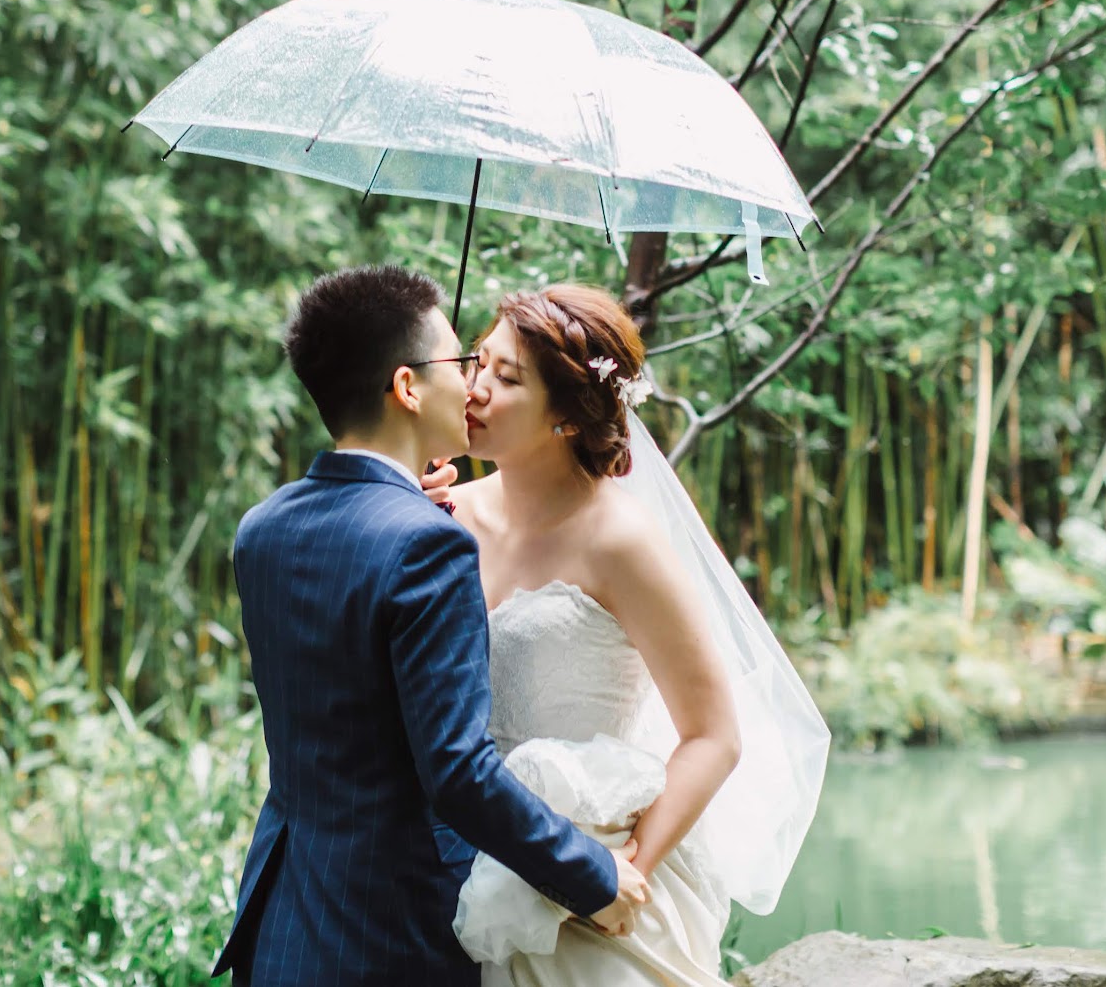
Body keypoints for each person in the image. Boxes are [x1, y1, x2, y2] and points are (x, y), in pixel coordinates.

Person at [213, 265, 650, 987]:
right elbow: (458, 774)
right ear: (408, 387)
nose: (473, 382)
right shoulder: (430, 543)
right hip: (390, 933)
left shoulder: (262, 529)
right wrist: (592, 875)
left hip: (281, 922)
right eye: (461, 362)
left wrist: (402, 506)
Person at [442, 284, 830, 986]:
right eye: (476, 363)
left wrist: (621, 875)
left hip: (596, 860)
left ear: (566, 416)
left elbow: (714, 734)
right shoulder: (441, 514)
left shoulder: (620, 541)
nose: (475, 389)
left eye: (506, 379)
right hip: (463, 860)